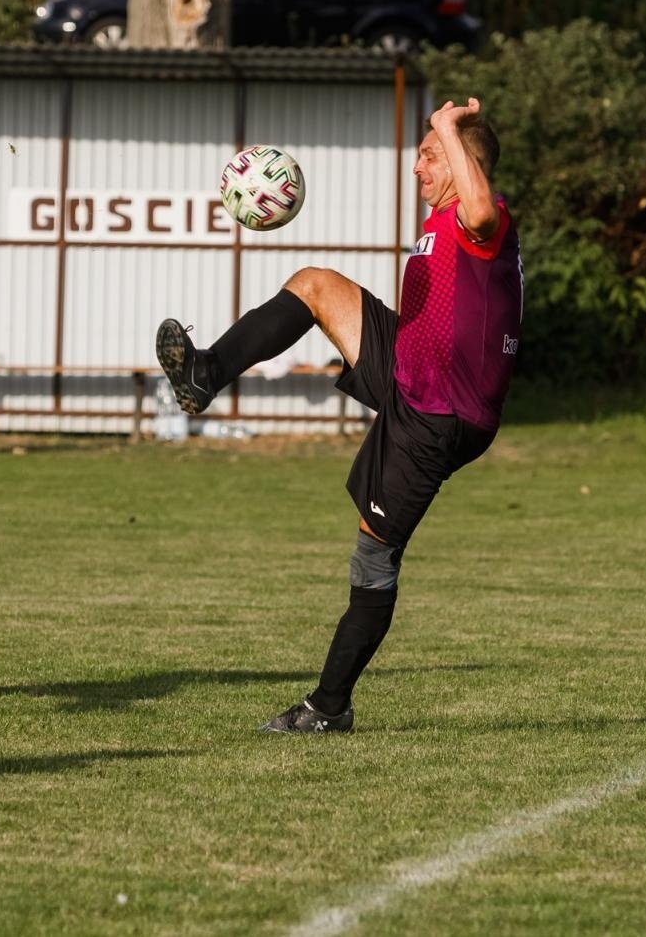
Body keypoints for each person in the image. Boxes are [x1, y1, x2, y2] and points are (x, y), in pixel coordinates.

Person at [156, 98, 520, 734]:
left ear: (467, 166)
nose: (418, 169)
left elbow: (482, 207)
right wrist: (439, 137)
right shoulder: (447, 224)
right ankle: (204, 374)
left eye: (430, 157)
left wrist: (445, 127)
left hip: (438, 414)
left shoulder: (482, 222)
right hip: (412, 374)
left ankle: (329, 706)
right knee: (316, 283)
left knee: (373, 560)